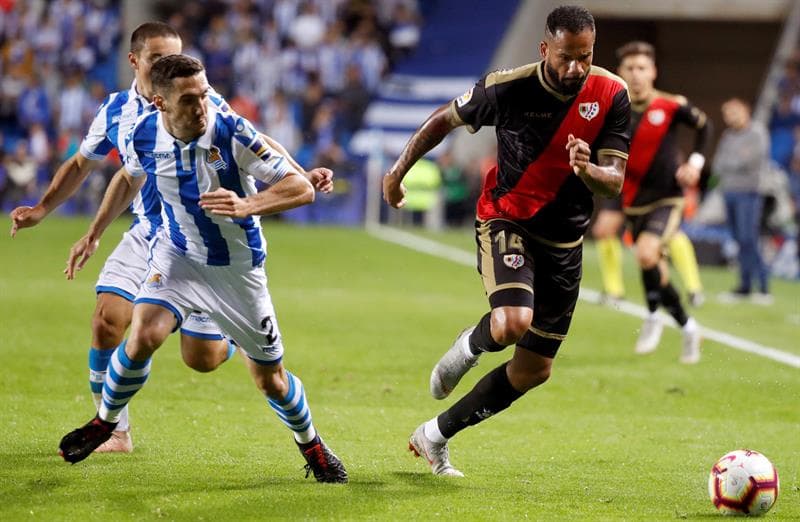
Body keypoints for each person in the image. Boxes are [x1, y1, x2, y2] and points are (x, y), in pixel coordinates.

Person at [9, 22, 332, 454]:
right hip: (152, 234)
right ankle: (115, 430)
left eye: (173, 54)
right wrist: (67, 220)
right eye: (157, 57)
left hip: (208, 240)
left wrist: (298, 174)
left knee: (202, 360)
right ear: (135, 61)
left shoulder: (200, 100)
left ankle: (228, 330)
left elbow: (258, 142)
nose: (167, 63)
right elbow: (95, 168)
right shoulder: (118, 113)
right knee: (108, 320)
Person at [383, 5, 630, 476]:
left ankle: (434, 435)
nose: (575, 68)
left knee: (534, 370)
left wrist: (587, 170)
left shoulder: (611, 92)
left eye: (584, 56)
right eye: (565, 57)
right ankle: (469, 345)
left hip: (565, 244)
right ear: (544, 49)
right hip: (508, 220)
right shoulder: (507, 87)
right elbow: (443, 120)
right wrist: (397, 173)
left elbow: (614, 181)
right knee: (512, 322)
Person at [614, 41, 709, 362]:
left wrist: (694, 164)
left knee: (645, 253)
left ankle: (653, 316)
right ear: (620, 72)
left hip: (668, 197)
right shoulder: (615, 109)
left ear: (653, 71)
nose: (636, 74)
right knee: (654, 267)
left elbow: (705, 127)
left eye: (642, 68)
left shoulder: (671, 104)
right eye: (630, 68)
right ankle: (688, 327)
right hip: (633, 201)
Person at [713, 98, 772, 304]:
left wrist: (733, 162)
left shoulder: (757, 133)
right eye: (727, 114)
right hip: (729, 192)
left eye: (734, 112)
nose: (730, 117)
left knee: (749, 239)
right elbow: (718, 164)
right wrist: (735, 161)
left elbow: (750, 161)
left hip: (749, 193)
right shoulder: (728, 136)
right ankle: (745, 286)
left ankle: (763, 287)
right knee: (739, 240)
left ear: (746, 111)